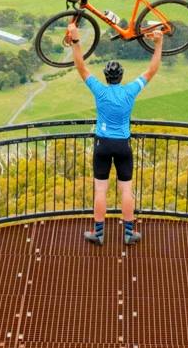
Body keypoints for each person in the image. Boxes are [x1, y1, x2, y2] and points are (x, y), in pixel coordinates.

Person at [67, 19, 164, 244]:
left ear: (106, 76)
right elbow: (152, 70)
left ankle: (98, 234)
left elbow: (81, 67)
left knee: (101, 190)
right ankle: (129, 233)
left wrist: (75, 40)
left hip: (102, 144)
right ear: (121, 76)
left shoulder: (99, 90)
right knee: (125, 190)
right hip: (123, 145)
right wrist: (158, 44)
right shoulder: (130, 91)